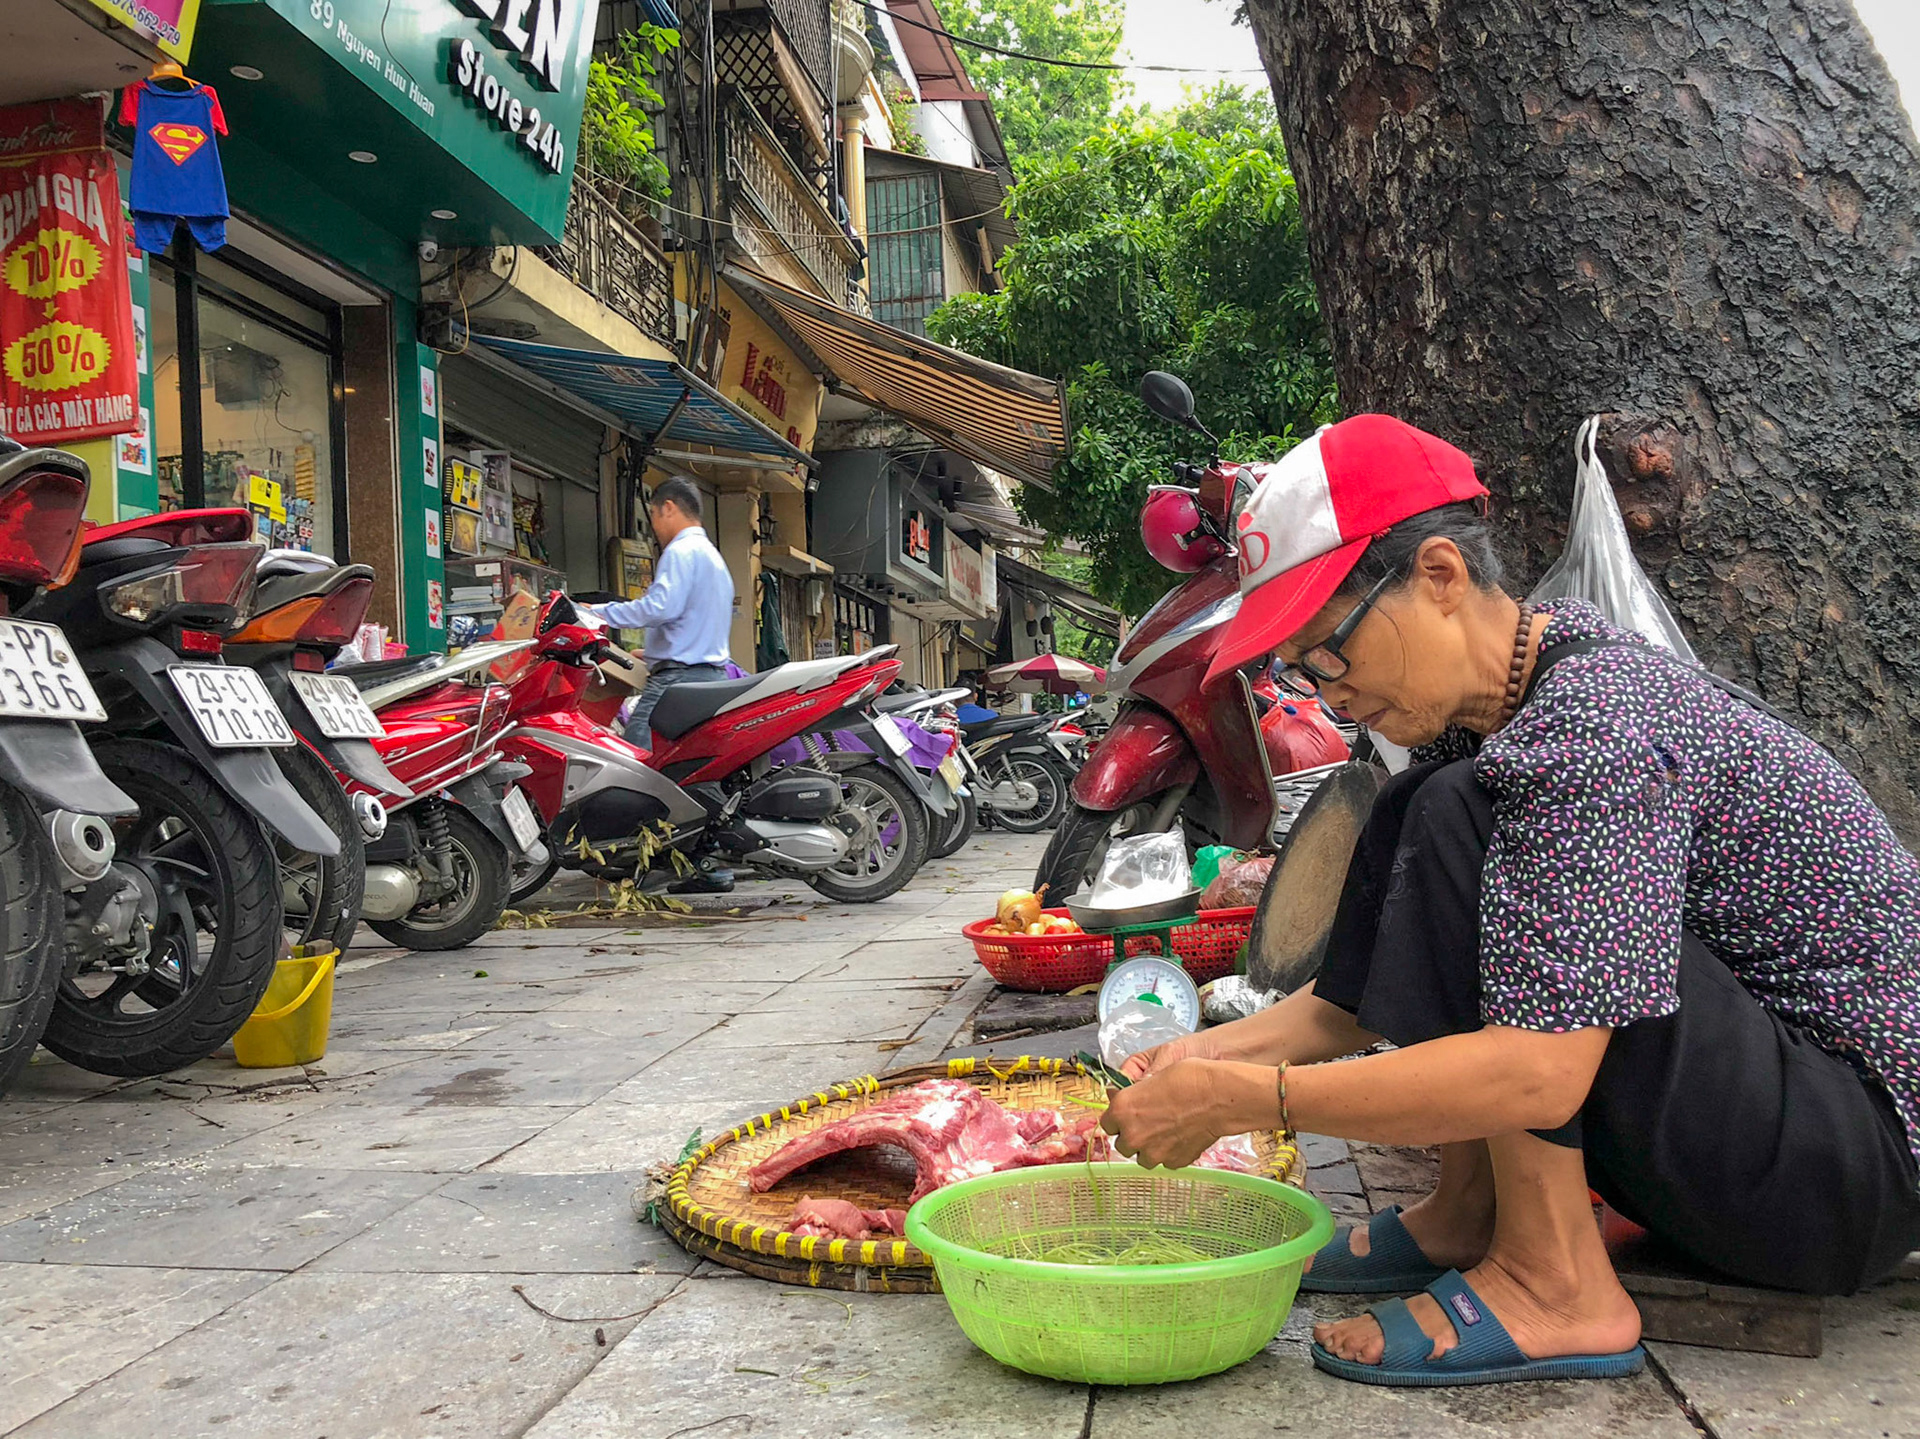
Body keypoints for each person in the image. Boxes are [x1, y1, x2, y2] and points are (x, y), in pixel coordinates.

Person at [1099, 414, 1920, 1389]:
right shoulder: (1521, 704)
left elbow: (1540, 1077)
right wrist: (1197, 1057)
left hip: (1847, 1167)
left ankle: (1553, 1279)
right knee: (1431, 803)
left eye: (1330, 651)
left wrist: (1252, 1100)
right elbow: (1342, 1008)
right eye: (1301, 671)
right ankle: (1471, 1213)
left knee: (1464, 818)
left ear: (1441, 575)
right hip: (1782, 1115)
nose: (1329, 693)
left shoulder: (1594, 730)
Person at [584, 477, 734, 752]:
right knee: (688, 763)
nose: (653, 526)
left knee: (636, 764)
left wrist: (598, 613)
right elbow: (692, 622)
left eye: (653, 514)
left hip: (677, 682)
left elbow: (658, 608)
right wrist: (655, 651)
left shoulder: (680, 551)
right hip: (711, 679)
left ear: (668, 508)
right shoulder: (714, 558)